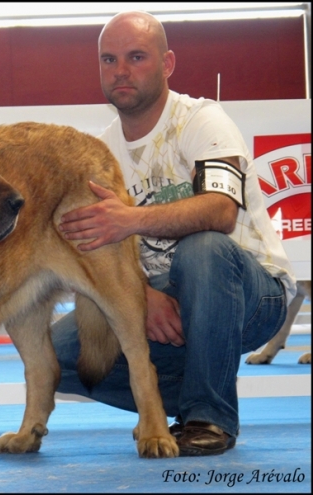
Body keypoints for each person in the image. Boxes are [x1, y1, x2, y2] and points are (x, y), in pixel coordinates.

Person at [53, 11, 296, 457]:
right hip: (164, 305)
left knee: (203, 250)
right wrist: (141, 297)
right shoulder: (99, 153)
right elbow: (88, 249)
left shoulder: (203, 120)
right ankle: (182, 395)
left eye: (136, 57)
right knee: (56, 355)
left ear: (167, 64)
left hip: (253, 296)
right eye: (109, 60)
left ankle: (208, 418)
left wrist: (130, 219)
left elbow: (221, 212)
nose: (120, 71)